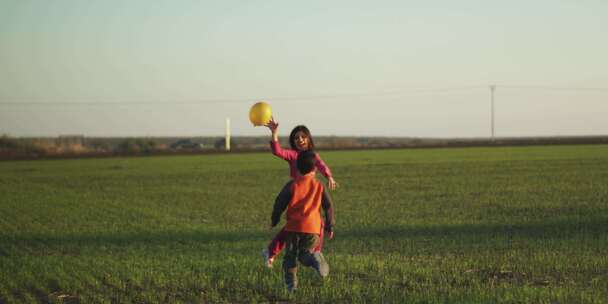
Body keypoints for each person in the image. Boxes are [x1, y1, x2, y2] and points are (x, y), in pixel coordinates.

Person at [262, 117, 338, 268]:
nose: (300, 140)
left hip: (311, 193)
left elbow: (322, 166)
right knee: (295, 226)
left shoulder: (313, 156)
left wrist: (329, 176)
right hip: (297, 193)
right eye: (296, 138)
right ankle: (273, 251)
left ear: (309, 139)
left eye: (303, 137)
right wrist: (274, 133)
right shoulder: (293, 155)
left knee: (317, 223)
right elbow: (277, 151)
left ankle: (314, 253)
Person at [271, 150, 335, 292]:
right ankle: (314, 258)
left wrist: (274, 220)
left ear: (297, 168)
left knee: (290, 257)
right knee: (305, 254)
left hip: (294, 228)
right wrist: (330, 225)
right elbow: (328, 206)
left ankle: (291, 286)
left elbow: (279, 203)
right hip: (313, 228)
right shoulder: (319, 186)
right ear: (315, 169)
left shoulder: (292, 185)